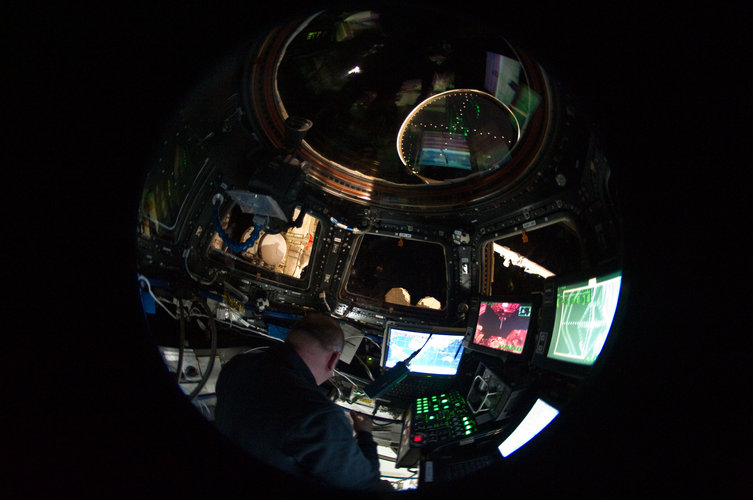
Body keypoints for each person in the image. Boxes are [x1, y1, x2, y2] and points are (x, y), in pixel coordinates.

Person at [214, 312, 384, 492]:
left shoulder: (239, 365)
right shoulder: (320, 417)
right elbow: (367, 486)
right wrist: (365, 435)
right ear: (334, 359)